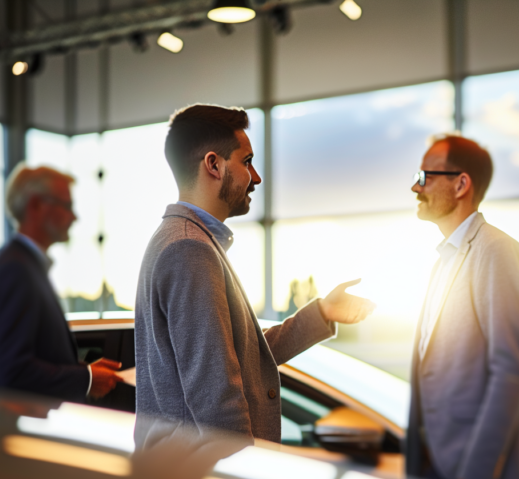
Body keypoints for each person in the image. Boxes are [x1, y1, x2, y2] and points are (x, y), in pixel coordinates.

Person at [135, 104, 375, 445]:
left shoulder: (186, 241)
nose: (256, 177)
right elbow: (218, 401)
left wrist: (322, 313)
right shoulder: (190, 249)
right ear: (214, 165)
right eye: (246, 162)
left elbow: (243, 360)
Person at [404, 134, 519, 479]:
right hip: (439, 467)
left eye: (426, 175)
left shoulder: (497, 251)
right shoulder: (442, 261)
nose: (416, 186)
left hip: (476, 478)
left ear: (462, 184)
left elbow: (509, 371)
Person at [0, 164, 122, 400]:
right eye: (66, 205)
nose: (74, 217)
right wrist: (87, 379)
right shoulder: (15, 271)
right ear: (35, 205)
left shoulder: (23, 266)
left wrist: (86, 371)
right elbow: (16, 372)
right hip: (20, 432)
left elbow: (36, 358)